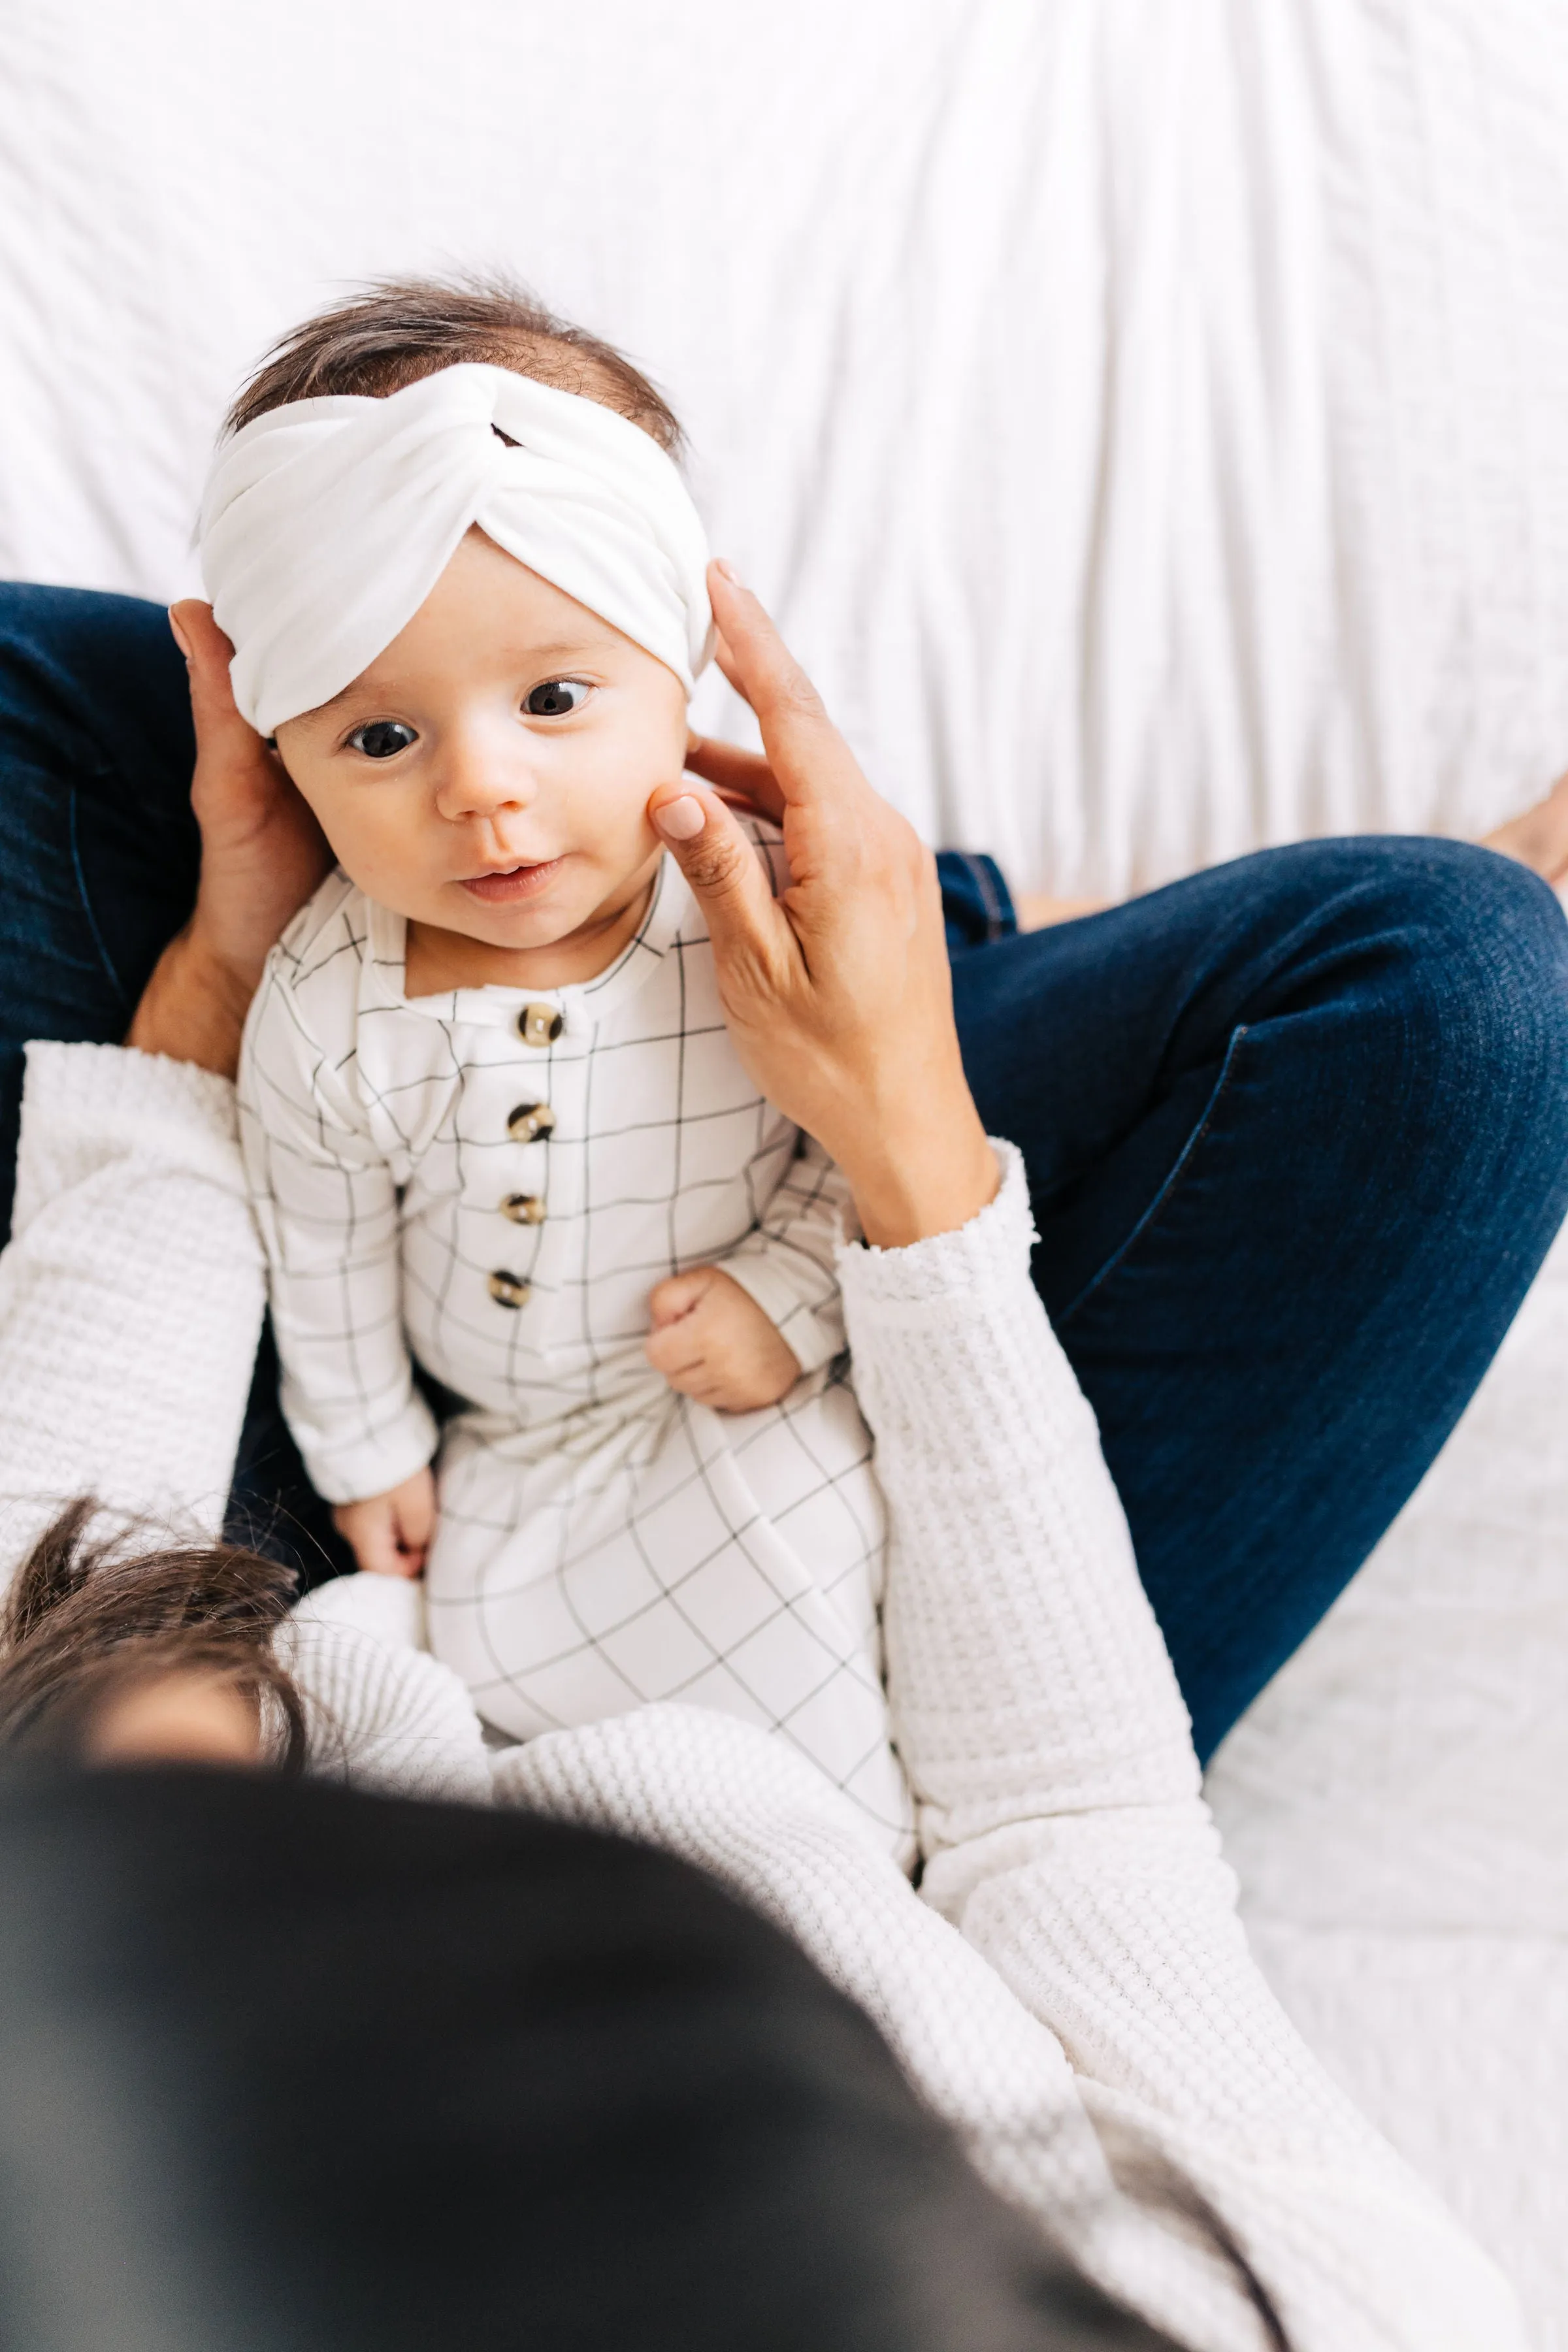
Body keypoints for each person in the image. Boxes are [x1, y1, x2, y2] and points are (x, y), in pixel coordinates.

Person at [0, 559, 1531, 2349]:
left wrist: (224, 999)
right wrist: (902, 1151)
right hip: (883, 1752)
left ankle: (695, 941)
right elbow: (1068, 1819)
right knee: (1458, 990)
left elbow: (72, 1623)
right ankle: (831, 937)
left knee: (66, 709)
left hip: (314, 1600)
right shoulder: (1314, 2311)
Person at [216, 287, 911, 1851]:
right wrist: (369, 1443)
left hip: (745, 1392)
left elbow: (844, 1159)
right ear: (288, 757)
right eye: (380, 740)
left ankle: (854, 1891)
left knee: (828, 1583)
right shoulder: (333, 1007)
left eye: (551, 700)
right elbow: (320, 1241)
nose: (482, 790)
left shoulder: (753, 914)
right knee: (491, 1700)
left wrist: (787, 1304)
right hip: (502, 1455)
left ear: (682, 677)